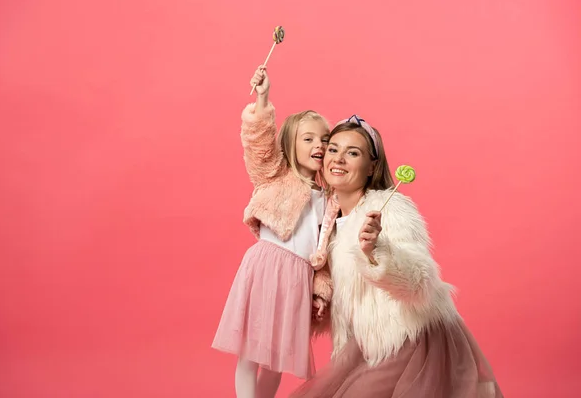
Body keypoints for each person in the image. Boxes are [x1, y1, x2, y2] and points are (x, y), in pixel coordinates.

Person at [292, 115, 503, 398]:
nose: (339, 159)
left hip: (409, 340)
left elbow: (420, 280)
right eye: (334, 149)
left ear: (371, 168)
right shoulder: (327, 222)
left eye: (352, 153)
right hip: (365, 345)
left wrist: (377, 250)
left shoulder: (390, 208)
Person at [211, 65, 331, 398]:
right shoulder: (276, 175)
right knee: (251, 353)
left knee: (277, 362)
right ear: (290, 144)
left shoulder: (330, 200)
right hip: (266, 268)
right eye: (308, 139)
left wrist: (321, 291)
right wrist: (263, 98)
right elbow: (260, 145)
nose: (318, 145)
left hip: (298, 278)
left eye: (324, 139)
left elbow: (326, 253)